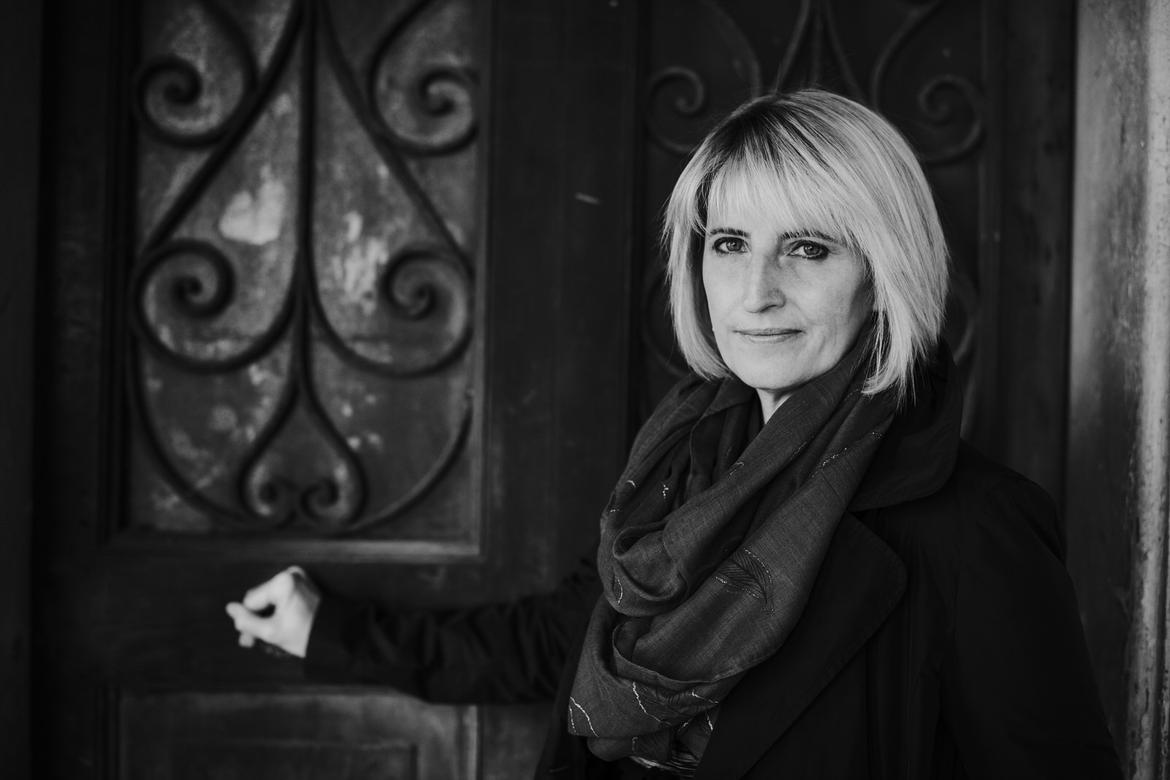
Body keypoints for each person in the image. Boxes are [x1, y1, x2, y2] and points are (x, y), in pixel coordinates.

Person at [226, 89, 1123, 779]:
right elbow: (557, 641)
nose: (756, 291)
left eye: (809, 248)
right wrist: (331, 632)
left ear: (885, 274)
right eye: (729, 243)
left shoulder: (977, 529)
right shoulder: (683, 469)